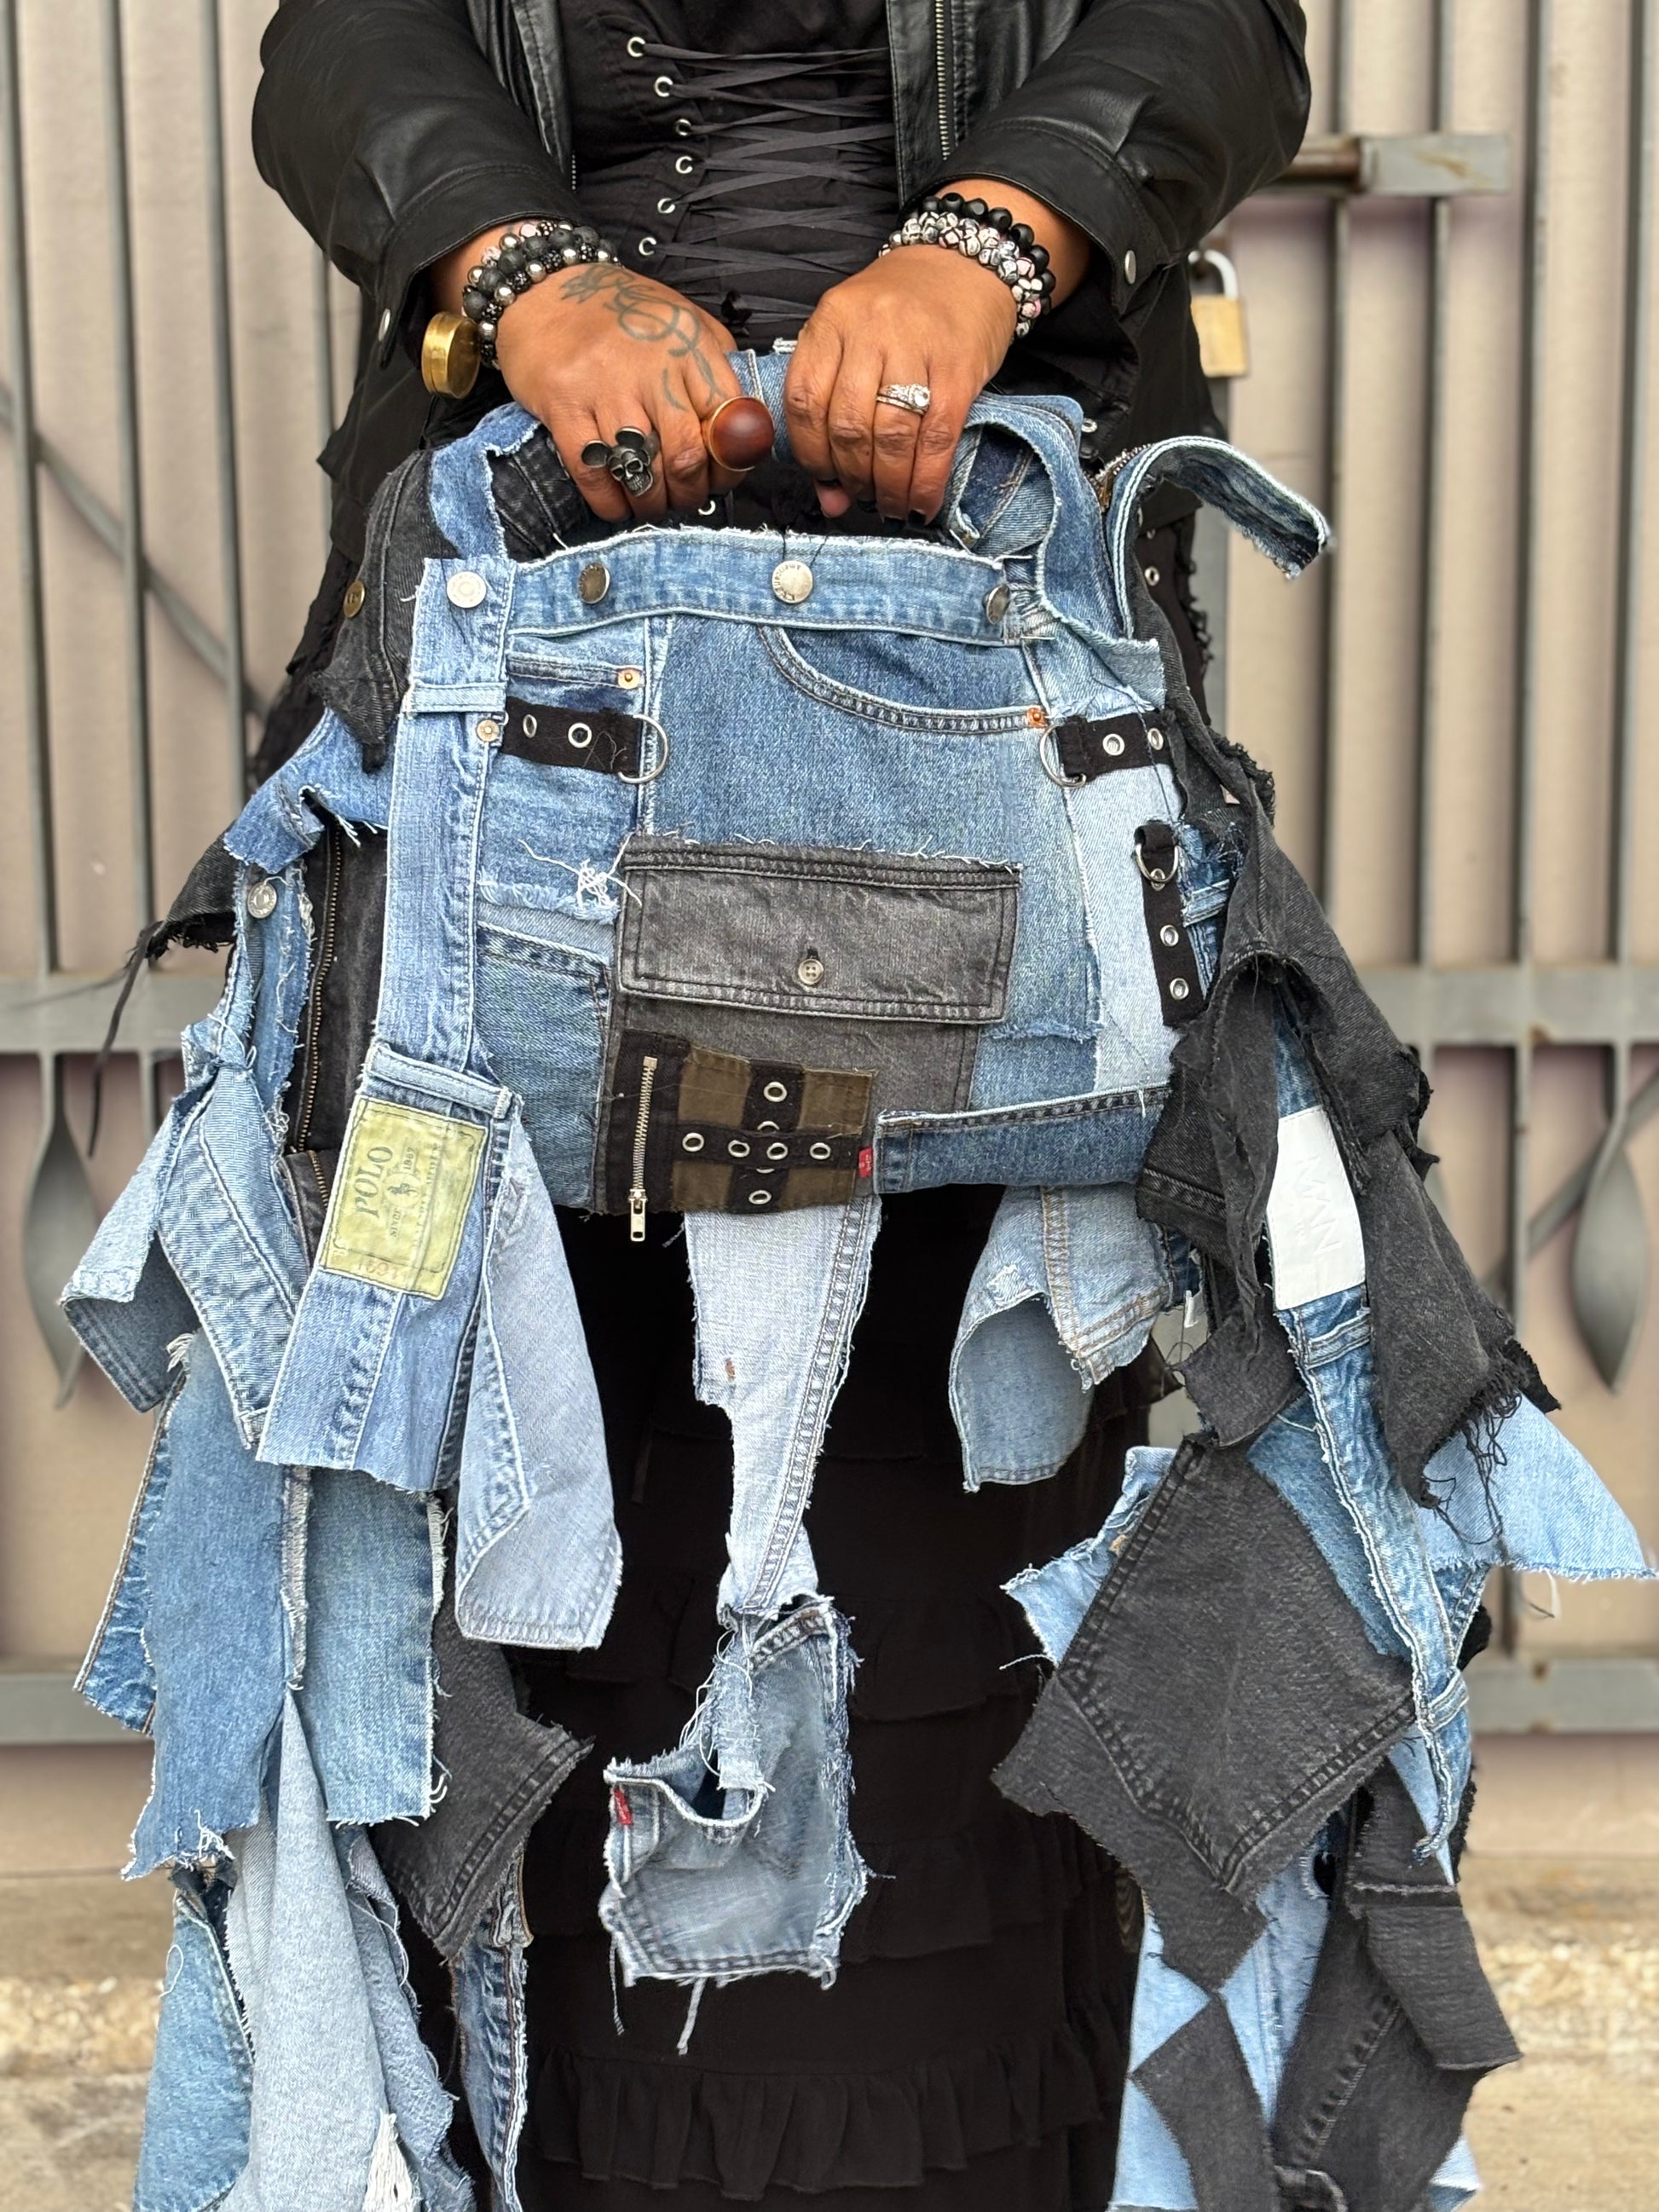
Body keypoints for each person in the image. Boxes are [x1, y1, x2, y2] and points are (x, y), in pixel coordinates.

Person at [250, 7, 1310, 2207]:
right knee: (552, 1459)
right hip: (525, 684)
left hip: (984, 677)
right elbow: (344, 42)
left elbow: (1210, 24)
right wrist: (530, 272)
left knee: (968, 1432)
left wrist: (982, 246)